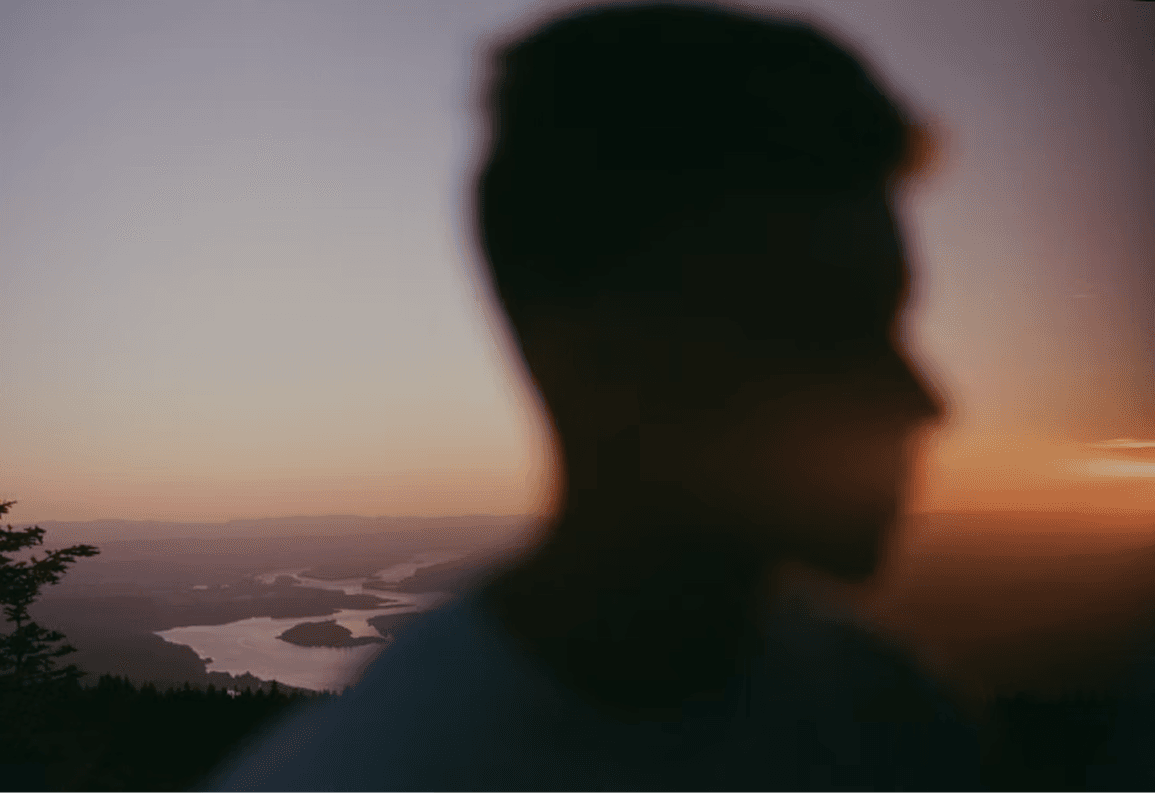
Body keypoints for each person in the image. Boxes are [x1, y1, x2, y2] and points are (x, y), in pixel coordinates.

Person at [198, 4, 983, 790]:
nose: (923, 400)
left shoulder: (888, 714)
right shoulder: (371, 772)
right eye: (823, 329)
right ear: (589, 349)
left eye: (888, 323)